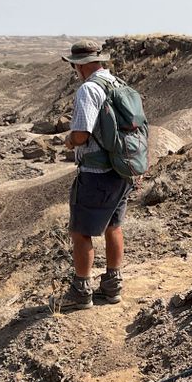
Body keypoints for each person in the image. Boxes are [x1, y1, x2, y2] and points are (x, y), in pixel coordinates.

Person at [51, 40, 134, 311]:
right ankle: (112, 286)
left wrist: (69, 141)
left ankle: (81, 292)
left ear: (79, 65)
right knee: (113, 226)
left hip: (96, 173)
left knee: (80, 232)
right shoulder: (117, 83)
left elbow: (82, 134)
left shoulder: (89, 89)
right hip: (122, 169)